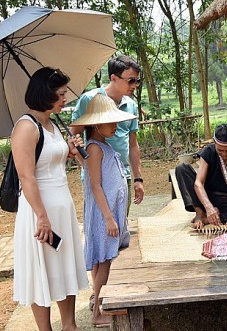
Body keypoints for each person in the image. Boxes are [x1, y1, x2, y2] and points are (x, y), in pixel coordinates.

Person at [11, 67, 88, 331]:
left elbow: (49, 160)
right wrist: (41, 217)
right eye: (61, 94)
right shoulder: (26, 126)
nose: (65, 98)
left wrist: (68, 150)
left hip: (61, 205)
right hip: (39, 209)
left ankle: (70, 325)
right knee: (42, 269)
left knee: (63, 264)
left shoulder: (52, 124)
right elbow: (26, 176)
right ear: (46, 94)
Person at [71, 94, 136, 327]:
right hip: (102, 214)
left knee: (102, 260)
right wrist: (109, 217)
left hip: (108, 211)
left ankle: (98, 307)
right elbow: (95, 185)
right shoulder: (95, 148)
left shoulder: (97, 147)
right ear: (97, 124)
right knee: (104, 260)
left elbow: (92, 172)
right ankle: (97, 310)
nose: (116, 126)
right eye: (111, 122)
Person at [72, 55, 144, 213]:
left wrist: (138, 178)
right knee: (103, 223)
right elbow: (74, 138)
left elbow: (133, 144)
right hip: (98, 177)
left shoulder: (131, 105)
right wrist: (87, 166)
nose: (135, 85)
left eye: (137, 81)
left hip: (123, 173)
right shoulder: (89, 100)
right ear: (114, 77)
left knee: (120, 222)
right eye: (131, 80)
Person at [175, 124, 227, 229]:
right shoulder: (208, 152)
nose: (224, 154)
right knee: (181, 169)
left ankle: (211, 219)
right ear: (214, 143)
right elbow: (198, 183)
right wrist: (209, 207)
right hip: (208, 198)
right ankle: (200, 214)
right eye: (220, 150)